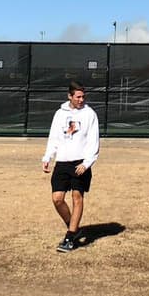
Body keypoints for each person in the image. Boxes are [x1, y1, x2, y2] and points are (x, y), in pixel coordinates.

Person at [41, 81, 100, 253]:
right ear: (70, 96)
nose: (81, 100)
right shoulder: (60, 114)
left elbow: (93, 141)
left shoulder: (90, 114)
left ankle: (70, 237)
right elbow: (54, 137)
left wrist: (87, 163)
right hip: (62, 162)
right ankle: (73, 227)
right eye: (78, 97)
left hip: (80, 162)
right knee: (57, 199)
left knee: (77, 197)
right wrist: (48, 157)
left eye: (83, 97)